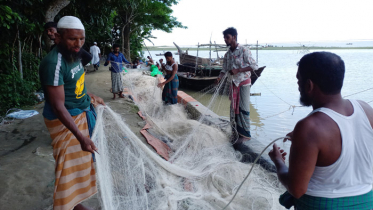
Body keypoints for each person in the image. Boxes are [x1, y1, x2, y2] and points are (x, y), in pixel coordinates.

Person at [269, 52, 373, 209]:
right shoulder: (365, 108)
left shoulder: (309, 127)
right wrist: (303, 142)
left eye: (298, 80)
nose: (298, 85)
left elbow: (296, 189)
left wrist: (278, 161)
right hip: (366, 202)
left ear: (309, 85)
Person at [39, 16, 105, 210]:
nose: (78, 44)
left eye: (82, 39)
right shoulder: (54, 63)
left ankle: (75, 203)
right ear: (58, 37)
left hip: (81, 111)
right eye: (72, 39)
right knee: (68, 170)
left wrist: (90, 96)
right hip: (66, 120)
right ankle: (66, 205)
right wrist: (80, 137)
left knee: (81, 166)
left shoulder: (74, 54)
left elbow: (75, 83)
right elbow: (58, 106)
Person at [216, 27, 258, 146]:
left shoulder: (244, 50)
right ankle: (235, 133)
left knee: (243, 108)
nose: (225, 40)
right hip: (233, 84)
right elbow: (224, 69)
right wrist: (219, 77)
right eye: (224, 38)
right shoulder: (227, 54)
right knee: (233, 110)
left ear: (234, 37)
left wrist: (239, 70)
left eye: (227, 37)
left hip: (243, 83)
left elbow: (254, 66)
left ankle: (245, 136)